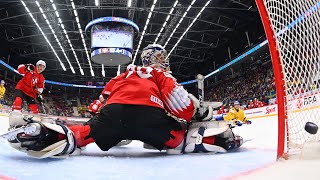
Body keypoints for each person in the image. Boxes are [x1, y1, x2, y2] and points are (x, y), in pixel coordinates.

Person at [6, 45, 243, 158]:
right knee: (180, 139)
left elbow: (103, 100)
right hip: (150, 117)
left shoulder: (123, 73)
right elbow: (178, 101)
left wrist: (95, 118)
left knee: (84, 134)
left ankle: (53, 135)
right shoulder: (159, 74)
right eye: (159, 57)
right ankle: (215, 137)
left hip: (114, 114)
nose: (163, 60)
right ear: (152, 60)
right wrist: (196, 115)